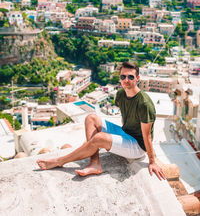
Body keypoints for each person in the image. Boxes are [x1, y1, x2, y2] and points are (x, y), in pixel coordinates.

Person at [37, 61, 165, 180]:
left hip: (137, 146)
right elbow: (124, 118)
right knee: (90, 118)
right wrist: (116, 138)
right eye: (123, 77)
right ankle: (95, 162)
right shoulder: (121, 94)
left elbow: (147, 136)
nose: (126, 80)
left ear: (137, 78)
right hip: (126, 134)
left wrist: (152, 161)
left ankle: (59, 161)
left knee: (99, 138)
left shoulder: (144, 103)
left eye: (131, 77)